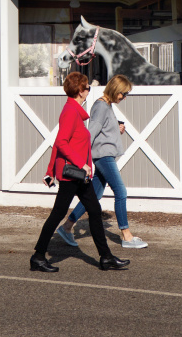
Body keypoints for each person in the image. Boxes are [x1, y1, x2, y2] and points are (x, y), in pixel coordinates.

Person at [30, 70, 130, 273]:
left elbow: (60, 144)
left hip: (80, 175)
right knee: (57, 214)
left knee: (94, 212)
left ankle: (106, 257)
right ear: (80, 91)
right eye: (87, 87)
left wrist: (51, 170)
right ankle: (38, 256)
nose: (89, 90)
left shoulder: (75, 112)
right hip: (71, 175)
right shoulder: (69, 112)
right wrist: (77, 164)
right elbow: (60, 143)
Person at [57, 74, 148, 249]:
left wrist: (117, 128)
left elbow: (104, 130)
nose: (124, 97)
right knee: (120, 191)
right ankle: (126, 236)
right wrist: (83, 161)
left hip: (105, 155)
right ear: (115, 90)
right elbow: (90, 134)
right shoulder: (101, 106)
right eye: (123, 93)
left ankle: (67, 226)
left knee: (95, 195)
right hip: (103, 157)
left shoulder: (107, 105)